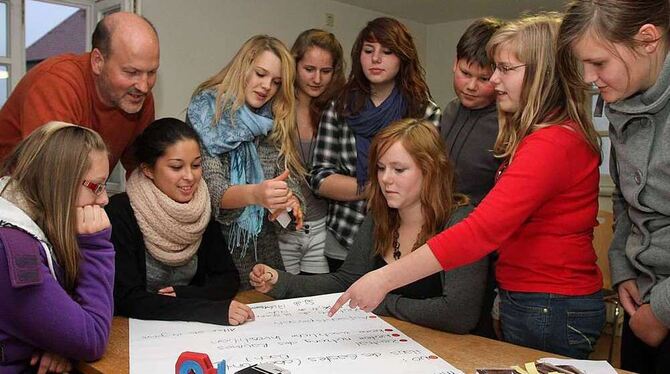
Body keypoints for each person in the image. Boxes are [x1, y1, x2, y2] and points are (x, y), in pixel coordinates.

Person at [330, 14, 605, 359]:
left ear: (540, 74)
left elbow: (481, 230)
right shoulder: (538, 137)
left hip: (550, 303)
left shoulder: (551, 144)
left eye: (505, 69)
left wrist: (384, 280)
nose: (493, 79)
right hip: (532, 298)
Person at [250, 119, 488, 334]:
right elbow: (347, 282)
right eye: (381, 168)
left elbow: (459, 315)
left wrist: (381, 298)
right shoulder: (380, 214)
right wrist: (282, 282)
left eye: (399, 169)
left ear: (431, 171)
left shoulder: (461, 223)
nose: (385, 179)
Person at [557, 1, 670, 372]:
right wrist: (622, 268)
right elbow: (626, 200)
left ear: (648, 40)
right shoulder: (622, 101)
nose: (589, 77)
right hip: (643, 302)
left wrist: (663, 311)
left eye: (599, 63)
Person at [311, 17, 441, 271]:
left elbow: (430, 180)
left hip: (403, 242)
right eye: (368, 51)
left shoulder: (423, 112)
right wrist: (376, 188)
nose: (375, 59)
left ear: (402, 57)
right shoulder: (340, 107)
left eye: (387, 52)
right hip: (345, 235)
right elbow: (319, 178)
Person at [107, 118, 254, 326]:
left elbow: (228, 278)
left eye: (196, 165)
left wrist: (183, 294)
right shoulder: (119, 212)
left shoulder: (201, 206)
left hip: (186, 331)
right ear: (148, 169)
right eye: (176, 167)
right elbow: (127, 298)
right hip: (131, 332)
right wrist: (206, 309)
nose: (190, 176)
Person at [187, 35, 304, 290]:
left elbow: (290, 179)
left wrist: (291, 200)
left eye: (276, 82)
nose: (266, 87)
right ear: (244, 66)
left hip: (266, 256)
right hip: (216, 253)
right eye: (261, 74)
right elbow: (213, 192)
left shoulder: (276, 119)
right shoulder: (209, 112)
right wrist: (257, 194)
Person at [0, 122, 113, 373]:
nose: (104, 199)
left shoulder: (28, 224)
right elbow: (92, 338)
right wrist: (96, 248)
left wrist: (58, 341)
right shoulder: (12, 248)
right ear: (60, 183)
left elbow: (58, 314)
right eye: (97, 186)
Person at [0, 12, 160, 171]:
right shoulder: (57, 83)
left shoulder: (137, 95)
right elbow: (52, 176)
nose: (144, 86)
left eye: (152, 72)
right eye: (131, 72)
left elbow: (142, 171)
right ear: (98, 62)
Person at [278, 29, 346, 275]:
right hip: (282, 229)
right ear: (294, 65)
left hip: (321, 228)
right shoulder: (276, 110)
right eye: (309, 69)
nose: (317, 79)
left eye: (325, 71)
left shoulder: (336, 111)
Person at [441, 17, 504, 205]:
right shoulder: (449, 111)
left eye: (484, 79)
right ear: (455, 64)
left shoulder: (507, 124)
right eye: (465, 73)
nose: (471, 86)